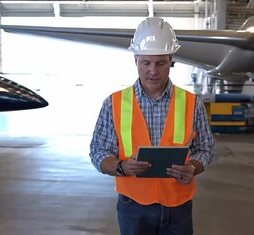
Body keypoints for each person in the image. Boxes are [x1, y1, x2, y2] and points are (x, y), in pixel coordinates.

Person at [89, 17, 214, 235]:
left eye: (160, 63)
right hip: (133, 207)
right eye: (145, 63)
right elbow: (98, 152)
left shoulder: (192, 103)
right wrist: (122, 166)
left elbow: (205, 149)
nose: (153, 71)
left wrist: (192, 168)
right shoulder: (114, 103)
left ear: (171, 60)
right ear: (135, 60)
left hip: (178, 206)